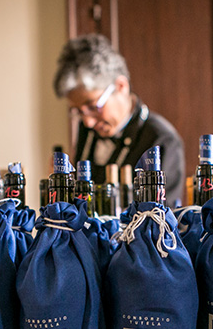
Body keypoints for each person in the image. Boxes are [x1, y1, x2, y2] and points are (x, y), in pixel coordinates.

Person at [53, 34, 185, 206]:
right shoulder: (87, 128)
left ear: (121, 86)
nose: (87, 122)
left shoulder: (162, 140)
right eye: (78, 111)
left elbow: (164, 217)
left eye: (93, 107)